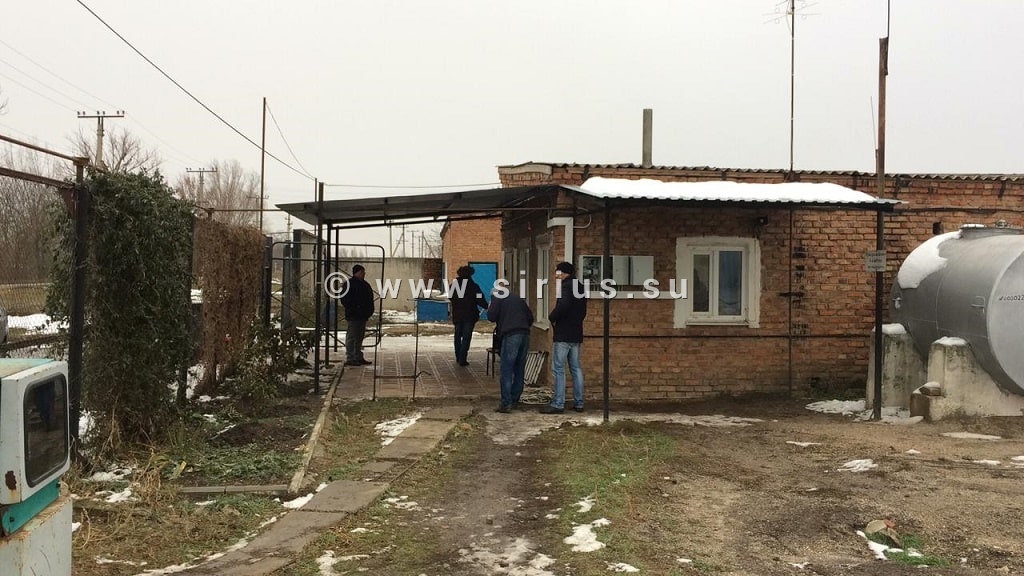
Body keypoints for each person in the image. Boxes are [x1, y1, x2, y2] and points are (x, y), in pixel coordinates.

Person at [541, 261, 588, 414]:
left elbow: (564, 305)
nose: (556, 275)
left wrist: (552, 316)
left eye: (558, 272)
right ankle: (579, 402)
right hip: (576, 333)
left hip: (563, 334)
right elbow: (583, 311)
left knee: (558, 369)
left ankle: (558, 403)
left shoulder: (566, 286)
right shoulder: (580, 286)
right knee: (576, 368)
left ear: (563, 272)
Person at [486, 287, 533, 413]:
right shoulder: (517, 298)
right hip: (525, 335)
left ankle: (506, 403)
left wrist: (491, 306)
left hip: (511, 335)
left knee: (507, 369)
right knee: (519, 368)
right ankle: (515, 399)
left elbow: (491, 317)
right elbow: (530, 317)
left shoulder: (497, 298)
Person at [449, 265, 488, 367]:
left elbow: (450, 297)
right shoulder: (473, 286)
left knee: (457, 336)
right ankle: (462, 358)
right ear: (470, 274)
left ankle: (458, 356)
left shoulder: (453, 286)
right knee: (466, 337)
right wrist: (486, 305)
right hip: (470, 315)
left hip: (457, 315)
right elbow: (479, 298)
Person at [339, 264, 375, 366]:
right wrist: (355, 308)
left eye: (364, 272)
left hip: (362, 315)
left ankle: (358, 356)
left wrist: (369, 311)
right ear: (356, 273)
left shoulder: (364, 284)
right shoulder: (349, 284)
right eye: (362, 272)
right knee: (352, 336)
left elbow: (369, 298)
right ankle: (350, 357)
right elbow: (345, 299)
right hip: (354, 315)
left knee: (359, 337)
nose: (364, 274)